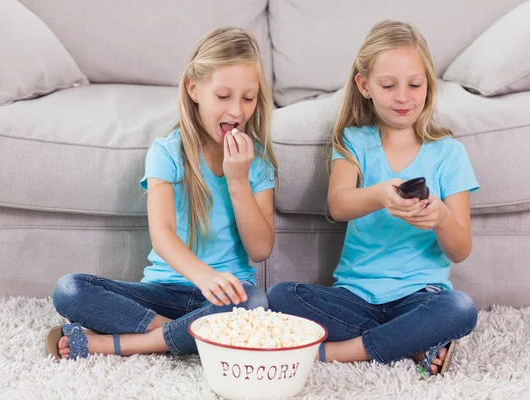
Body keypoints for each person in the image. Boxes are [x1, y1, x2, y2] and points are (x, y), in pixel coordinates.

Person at [45, 27, 277, 360]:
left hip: (228, 296)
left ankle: (113, 344)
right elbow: (162, 234)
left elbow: (260, 249)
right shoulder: (166, 153)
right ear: (194, 89)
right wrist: (203, 276)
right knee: (69, 289)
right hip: (163, 290)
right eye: (223, 96)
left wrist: (238, 179)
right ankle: (185, 332)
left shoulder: (258, 163)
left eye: (248, 98)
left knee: (255, 305)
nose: (237, 111)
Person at [267, 20, 479, 377]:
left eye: (415, 84)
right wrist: (380, 194)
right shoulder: (354, 142)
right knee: (280, 296)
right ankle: (410, 343)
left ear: (429, 84)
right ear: (364, 86)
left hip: (420, 297)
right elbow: (339, 204)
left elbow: (460, 249)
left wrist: (441, 217)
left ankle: (342, 352)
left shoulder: (448, 153)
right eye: (388, 85)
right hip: (355, 297)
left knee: (460, 308)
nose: (403, 97)